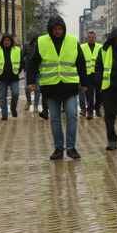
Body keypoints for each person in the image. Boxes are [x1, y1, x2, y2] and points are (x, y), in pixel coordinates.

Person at [26, 15, 89, 160]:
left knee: (72, 115)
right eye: (55, 29)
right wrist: (31, 81)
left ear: (64, 29)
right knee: (54, 119)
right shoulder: (42, 42)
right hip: (50, 87)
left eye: (60, 29)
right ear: (50, 30)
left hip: (69, 86)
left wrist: (84, 83)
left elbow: (80, 62)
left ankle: (71, 147)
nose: (58, 31)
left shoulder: (73, 41)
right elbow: (33, 63)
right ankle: (59, 148)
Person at [0, 33, 22, 121]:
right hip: (2, 77)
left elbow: (22, 61)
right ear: (2, 41)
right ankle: (4, 113)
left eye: (8, 40)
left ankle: (13, 107)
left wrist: (19, 71)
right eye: (5, 40)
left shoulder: (17, 50)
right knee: (2, 96)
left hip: (14, 77)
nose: (6, 42)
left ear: (11, 41)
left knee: (15, 94)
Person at [79, 31, 102, 120]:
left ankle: (97, 108)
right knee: (89, 94)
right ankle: (90, 112)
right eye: (89, 37)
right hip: (87, 74)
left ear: (95, 38)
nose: (91, 38)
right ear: (87, 38)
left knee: (99, 93)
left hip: (97, 74)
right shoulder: (82, 47)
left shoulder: (100, 47)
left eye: (92, 37)